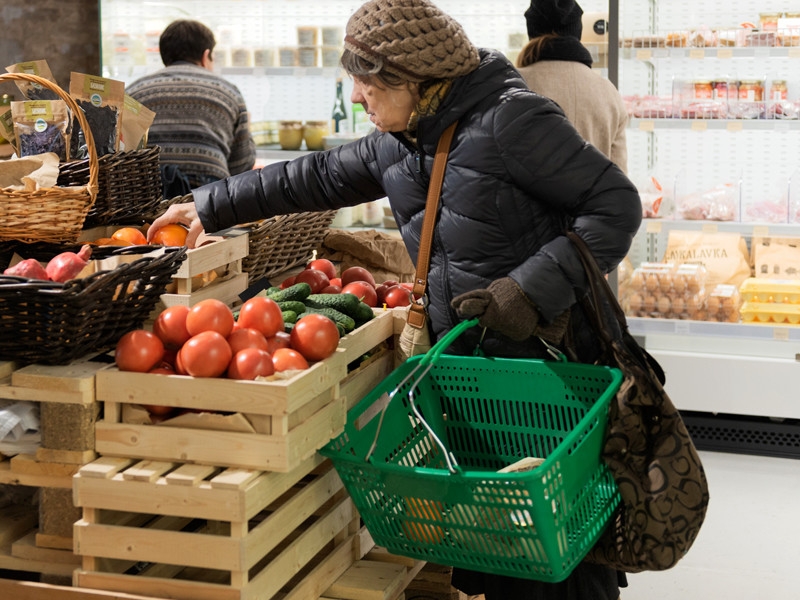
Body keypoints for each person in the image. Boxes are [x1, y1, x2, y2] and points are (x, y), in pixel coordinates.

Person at [148, 1, 641, 597]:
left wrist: (527, 290)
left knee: (559, 547)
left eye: (366, 81)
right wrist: (209, 204)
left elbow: (616, 204)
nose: (357, 97)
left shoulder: (513, 121)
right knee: (501, 540)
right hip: (473, 370)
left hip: (543, 368)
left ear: (412, 79)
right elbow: (315, 175)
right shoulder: (404, 138)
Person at [127, 19, 256, 197]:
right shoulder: (228, 92)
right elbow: (241, 165)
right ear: (205, 56)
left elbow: (122, 155)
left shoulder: (134, 92)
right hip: (210, 197)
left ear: (164, 56)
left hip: (148, 194)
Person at [516, 0, 629, 173]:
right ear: (577, 31)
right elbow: (620, 180)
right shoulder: (608, 92)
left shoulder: (515, 84)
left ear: (532, 30)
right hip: (594, 199)